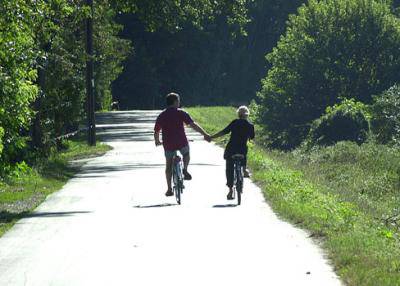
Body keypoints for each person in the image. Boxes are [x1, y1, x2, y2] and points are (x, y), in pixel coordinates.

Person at [154, 92, 210, 197]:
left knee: (168, 165)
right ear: (175, 102)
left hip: (168, 143)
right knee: (186, 154)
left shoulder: (162, 115)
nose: (179, 103)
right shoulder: (181, 113)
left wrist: (157, 141)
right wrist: (205, 134)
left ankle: (169, 189)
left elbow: (156, 130)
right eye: (178, 101)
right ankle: (185, 169)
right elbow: (193, 125)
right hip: (181, 141)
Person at [210, 106, 255, 200]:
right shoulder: (250, 125)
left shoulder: (234, 122)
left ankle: (230, 190)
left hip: (231, 148)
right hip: (242, 149)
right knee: (244, 153)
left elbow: (224, 132)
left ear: (238, 114)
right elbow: (252, 137)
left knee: (229, 168)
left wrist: (212, 137)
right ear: (247, 115)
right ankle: (244, 169)